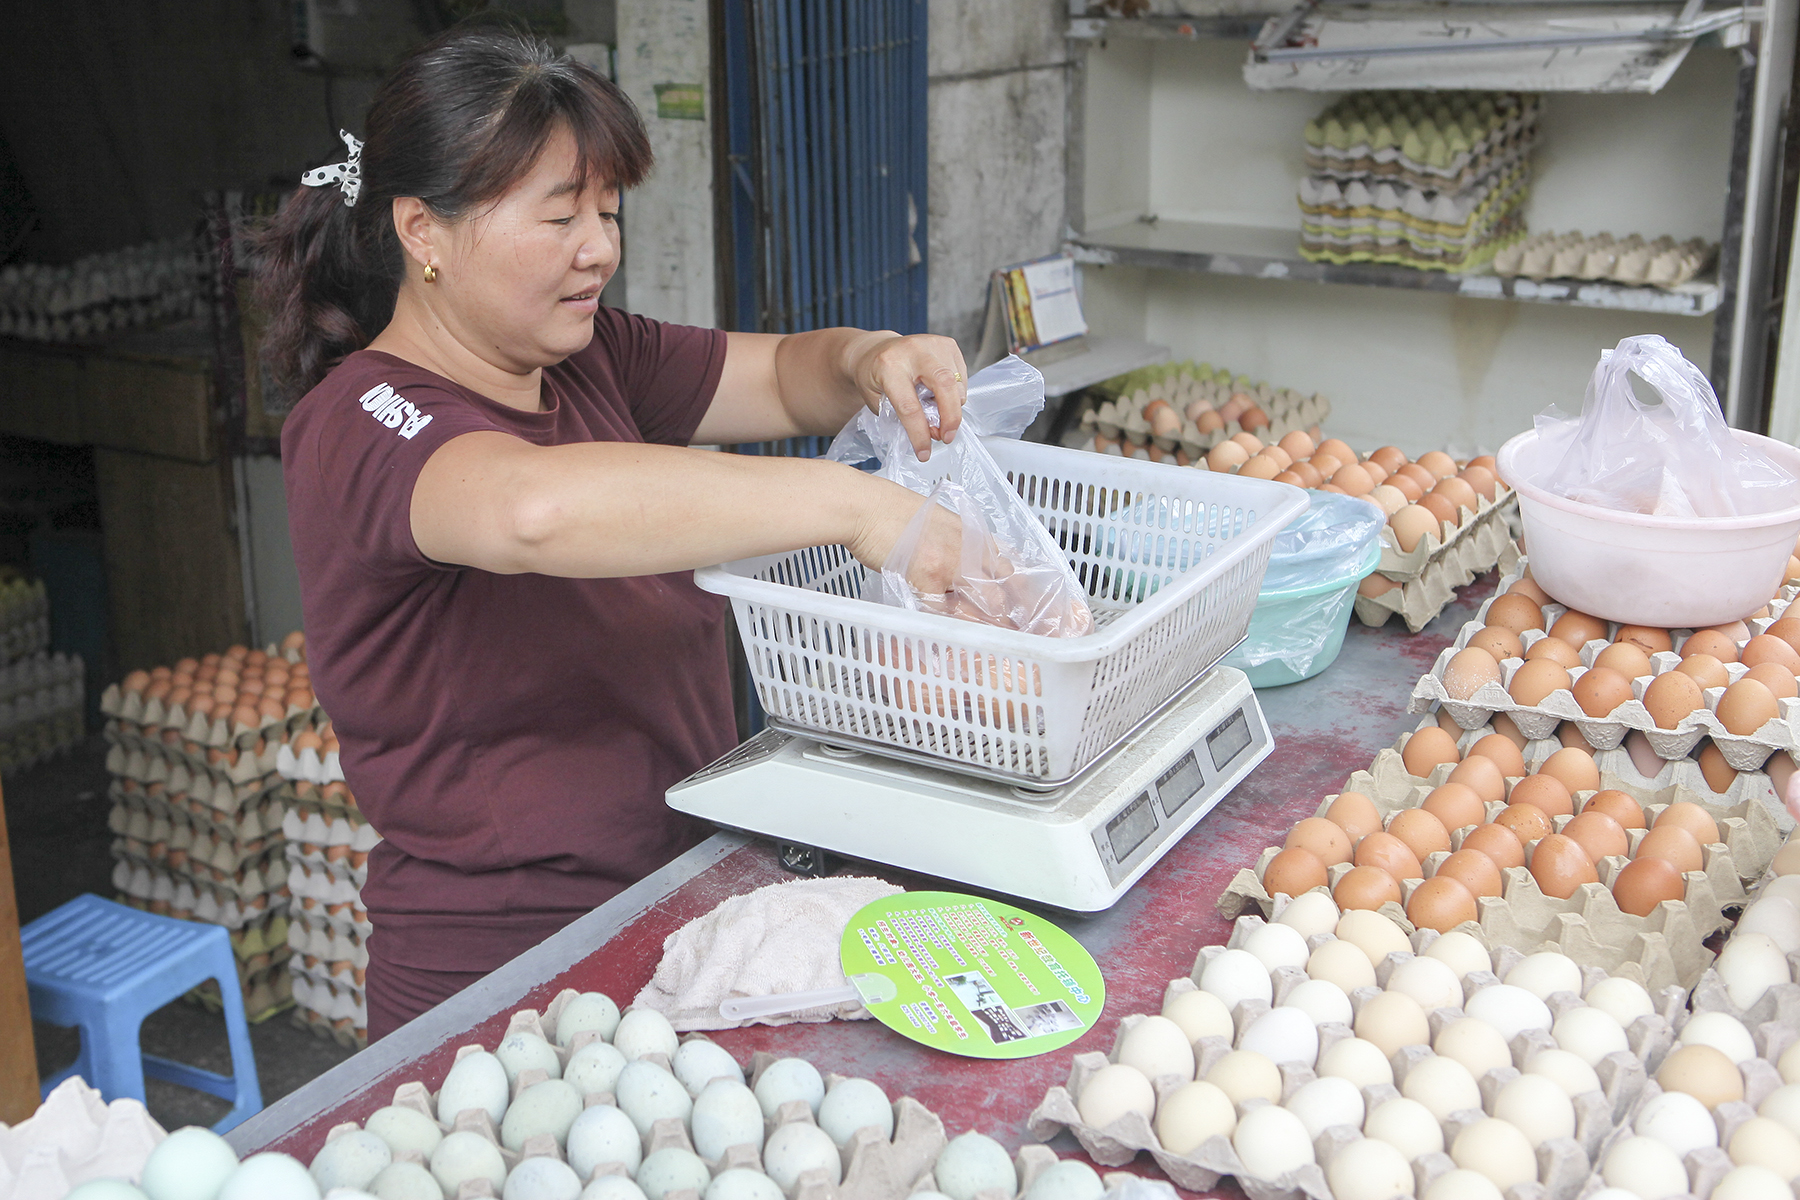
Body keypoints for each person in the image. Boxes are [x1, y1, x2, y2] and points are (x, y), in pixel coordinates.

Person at [254, 26, 970, 1040]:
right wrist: (858, 507)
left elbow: (776, 374)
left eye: (608, 211)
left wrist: (870, 356)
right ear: (423, 232)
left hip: (679, 909)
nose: (599, 247)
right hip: (506, 975)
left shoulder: (589, 357)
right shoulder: (364, 418)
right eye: (559, 217)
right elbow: (530, 509)